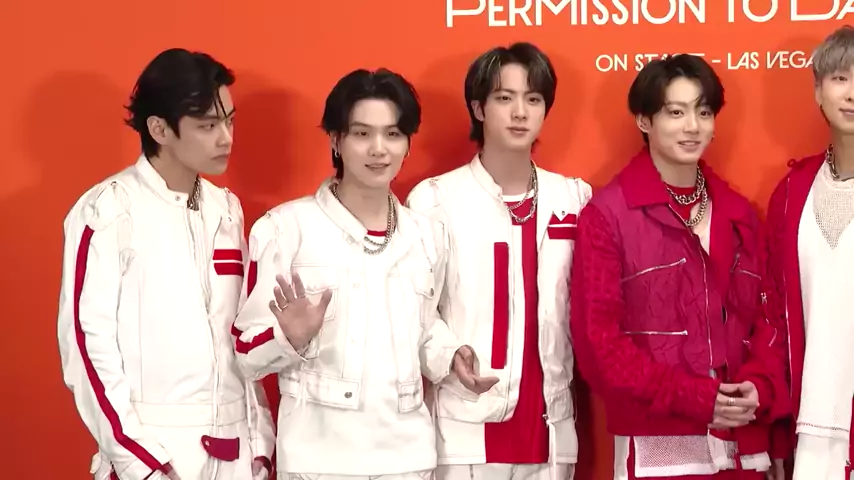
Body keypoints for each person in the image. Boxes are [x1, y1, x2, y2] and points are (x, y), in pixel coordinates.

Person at [231, 68, 494, 480]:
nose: (378, 149)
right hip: (319, 463)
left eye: (393, 134)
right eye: (361, 134)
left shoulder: (427, 236)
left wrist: (450, 356)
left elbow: (424, 329)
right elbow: (246, 353)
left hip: (409, 460)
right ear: (336, 140)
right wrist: (289, 336)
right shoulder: (286, 229)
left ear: (408, 143)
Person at [56, 48, 275, 480]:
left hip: (238, 453)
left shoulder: (226, 210)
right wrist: (140, 462)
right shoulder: (107, 210)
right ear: (159, 128)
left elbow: (239, 334)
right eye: (208, 126)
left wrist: (260, 443)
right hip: (156, 451)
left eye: (229, 121)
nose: (226, 138)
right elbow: (85, 346)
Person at [569, 54, 789, 479]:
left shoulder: (739, 213)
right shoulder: (608, 215)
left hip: (742, 443)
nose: (693, 127)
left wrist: (760, 385)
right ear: (644, 120)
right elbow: (600, 344)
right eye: (676, 112)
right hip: (658, 445)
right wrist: (695, 397)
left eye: (703, 112)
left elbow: (768, 321)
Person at [406, 42, 588, 480]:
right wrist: (449, 356)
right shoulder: (435, 201)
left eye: (533, 99)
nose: (520, 112)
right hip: (465, 430)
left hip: (552, 431)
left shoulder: (574, 198)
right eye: (505, 98)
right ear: (479, 107)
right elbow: (413, 312)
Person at [765, 25, 854, 480]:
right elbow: (773, 322)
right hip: (813, 428)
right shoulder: (790, 194)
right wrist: (778, 433)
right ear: (818, 91)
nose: (852, 93)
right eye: (840, 78)